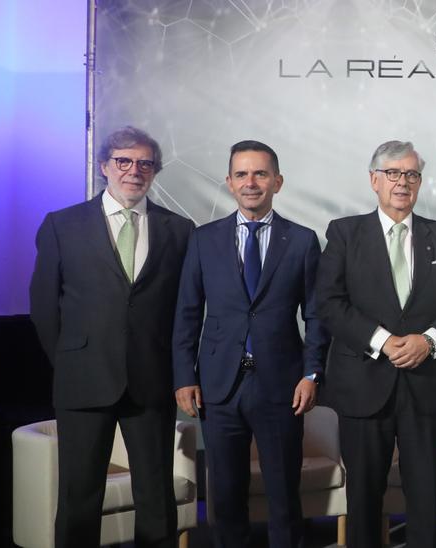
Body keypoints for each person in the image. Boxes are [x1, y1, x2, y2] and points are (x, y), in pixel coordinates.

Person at [29, 126, 195, 547]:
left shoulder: (179, 230)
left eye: (144, 164)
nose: (134, 171)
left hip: (151, 380)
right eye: (124, 161)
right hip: (83, 378)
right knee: (80, 495)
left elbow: (185, 311)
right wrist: (71, 359)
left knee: (156, 495)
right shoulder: (62, 225)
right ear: (105, 166)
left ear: (155, 172)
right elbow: (44, 307)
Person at [171, 140, 327, 547]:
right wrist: (184, 376)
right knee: (225, 495)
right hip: (219, 388)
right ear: (228, 182)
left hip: (282, 387)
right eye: (241, 174)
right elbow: (187, 313)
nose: (251, 182)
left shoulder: (303, 240)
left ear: (278, 181)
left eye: (260, 173)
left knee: (282, 495)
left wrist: (311, 374)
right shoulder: (204, 240)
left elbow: (316, 316)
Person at [315, 140, 436, 548]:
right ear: (374, 180)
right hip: (363, 385)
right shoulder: (345, 233)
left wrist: (429, 341)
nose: (403, 182)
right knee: (363, 498)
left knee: (424, 497)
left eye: (412, 174)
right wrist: (383, 341)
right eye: (394, 174)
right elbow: (328, 303)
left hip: (426, 385)